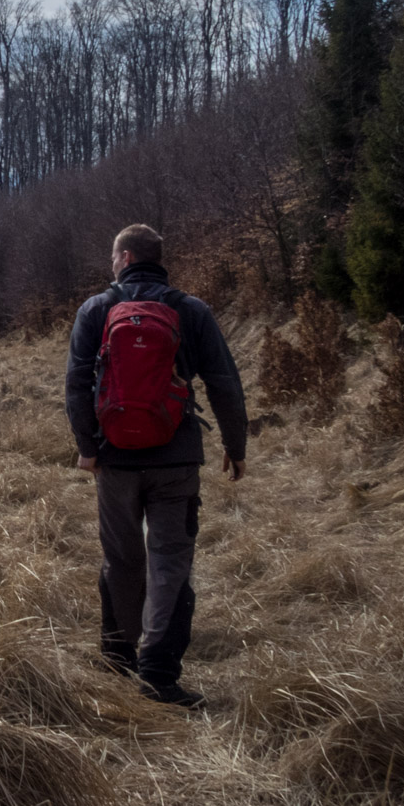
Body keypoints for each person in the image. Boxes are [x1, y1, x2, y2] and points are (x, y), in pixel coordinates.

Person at [64, 224, 246, 709]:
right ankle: (159, 675)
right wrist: (236, 444)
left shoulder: (95, 310)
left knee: (122, 559)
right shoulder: (191, 310)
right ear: (157, 259)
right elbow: (224, 381)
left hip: (115, 459)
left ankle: (118, 658)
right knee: (170, 561)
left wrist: (88, 447)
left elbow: (76, 385)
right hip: (177, 457)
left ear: (123, 257)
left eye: (112, 256)